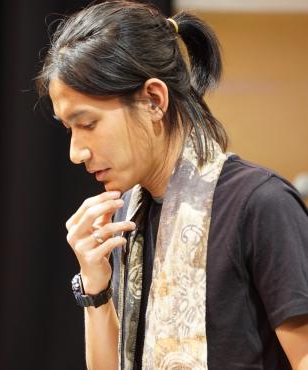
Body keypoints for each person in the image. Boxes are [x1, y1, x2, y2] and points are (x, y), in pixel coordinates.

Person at [36, 1, 308, 369]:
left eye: (87, 124)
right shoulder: (128, 214)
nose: (76, 152)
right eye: (70, 129)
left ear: (153, 100)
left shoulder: (260, 203)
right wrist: (95, 289)